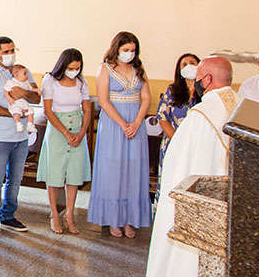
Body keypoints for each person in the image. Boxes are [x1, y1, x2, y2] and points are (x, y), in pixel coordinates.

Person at [126, 56, 239, 277]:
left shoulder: (201, 115)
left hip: (201, 206)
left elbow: (178, 163)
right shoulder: (241, 106)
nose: (196, 82)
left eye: (198, 77)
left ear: (207, 80)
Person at [88, 31, 151, 239]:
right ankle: (114, 219)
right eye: (126, 50)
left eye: (133, 50)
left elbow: (146, 97)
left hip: (136, 125)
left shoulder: (138, 69)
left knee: (133, 169)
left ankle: (130, 219)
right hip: (114, 125)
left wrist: (137, 122)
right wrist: (124, 124)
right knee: (113, 170)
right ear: (116, 48)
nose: (129, 53)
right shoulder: (105, 69)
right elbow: (103, 100)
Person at [0, 36, 36, 236]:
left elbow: (36, 96)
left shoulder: (22, 71)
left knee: (15, 179)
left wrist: (23, 93)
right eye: (6, 52)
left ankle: (9, 215)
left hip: (20, 138)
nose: (11, 54)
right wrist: (12, 113)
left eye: (13, 50)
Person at [35, 48, 93, 235]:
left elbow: (87, 108)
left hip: (77, 125)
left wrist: (82, 132)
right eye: (71, 68)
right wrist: (66, 133)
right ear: (63, 66)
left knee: (74, 174)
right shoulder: (50, 80)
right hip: (57, 128)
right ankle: (54, 213)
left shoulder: (81, 81)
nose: (74, 71)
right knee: (55, 173)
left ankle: (69, 215)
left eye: (77, 68)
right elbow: (48, 110)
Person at [155, 53, 202, 178]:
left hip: (197, 145)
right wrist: (178, 141)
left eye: (192, 63)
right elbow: (163, 118)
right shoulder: (172, 91)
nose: (188, 66)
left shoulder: (205, 92)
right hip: (174, 142)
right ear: (179, 71)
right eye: (184, 64)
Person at [5, 64, 40, 133]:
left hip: (24, 103)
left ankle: (30, 125)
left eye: (27, 73)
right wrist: (9, 98)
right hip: (16, 103)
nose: (27, 75)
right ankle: (18, 124)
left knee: (30, 111)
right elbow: (6, 91)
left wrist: (37, 90)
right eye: (24, 74)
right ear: (17, 75)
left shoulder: (26, 83)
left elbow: (31, 89)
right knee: (16, 111)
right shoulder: (11, 82)